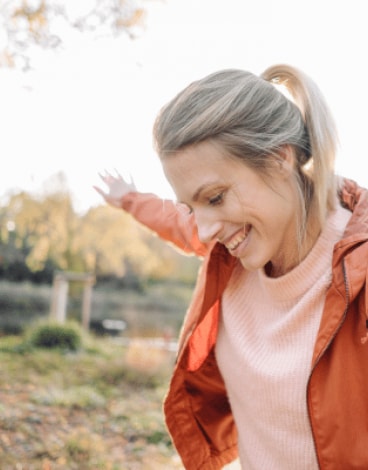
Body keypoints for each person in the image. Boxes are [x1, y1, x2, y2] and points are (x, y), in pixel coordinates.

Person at [95, 64, 368, 470]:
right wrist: (129, 198)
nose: (203, 233)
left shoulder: (359, 268)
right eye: (193, 207)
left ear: (280, 158)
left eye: (216, 198)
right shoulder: (234, 249)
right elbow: (174, 221)